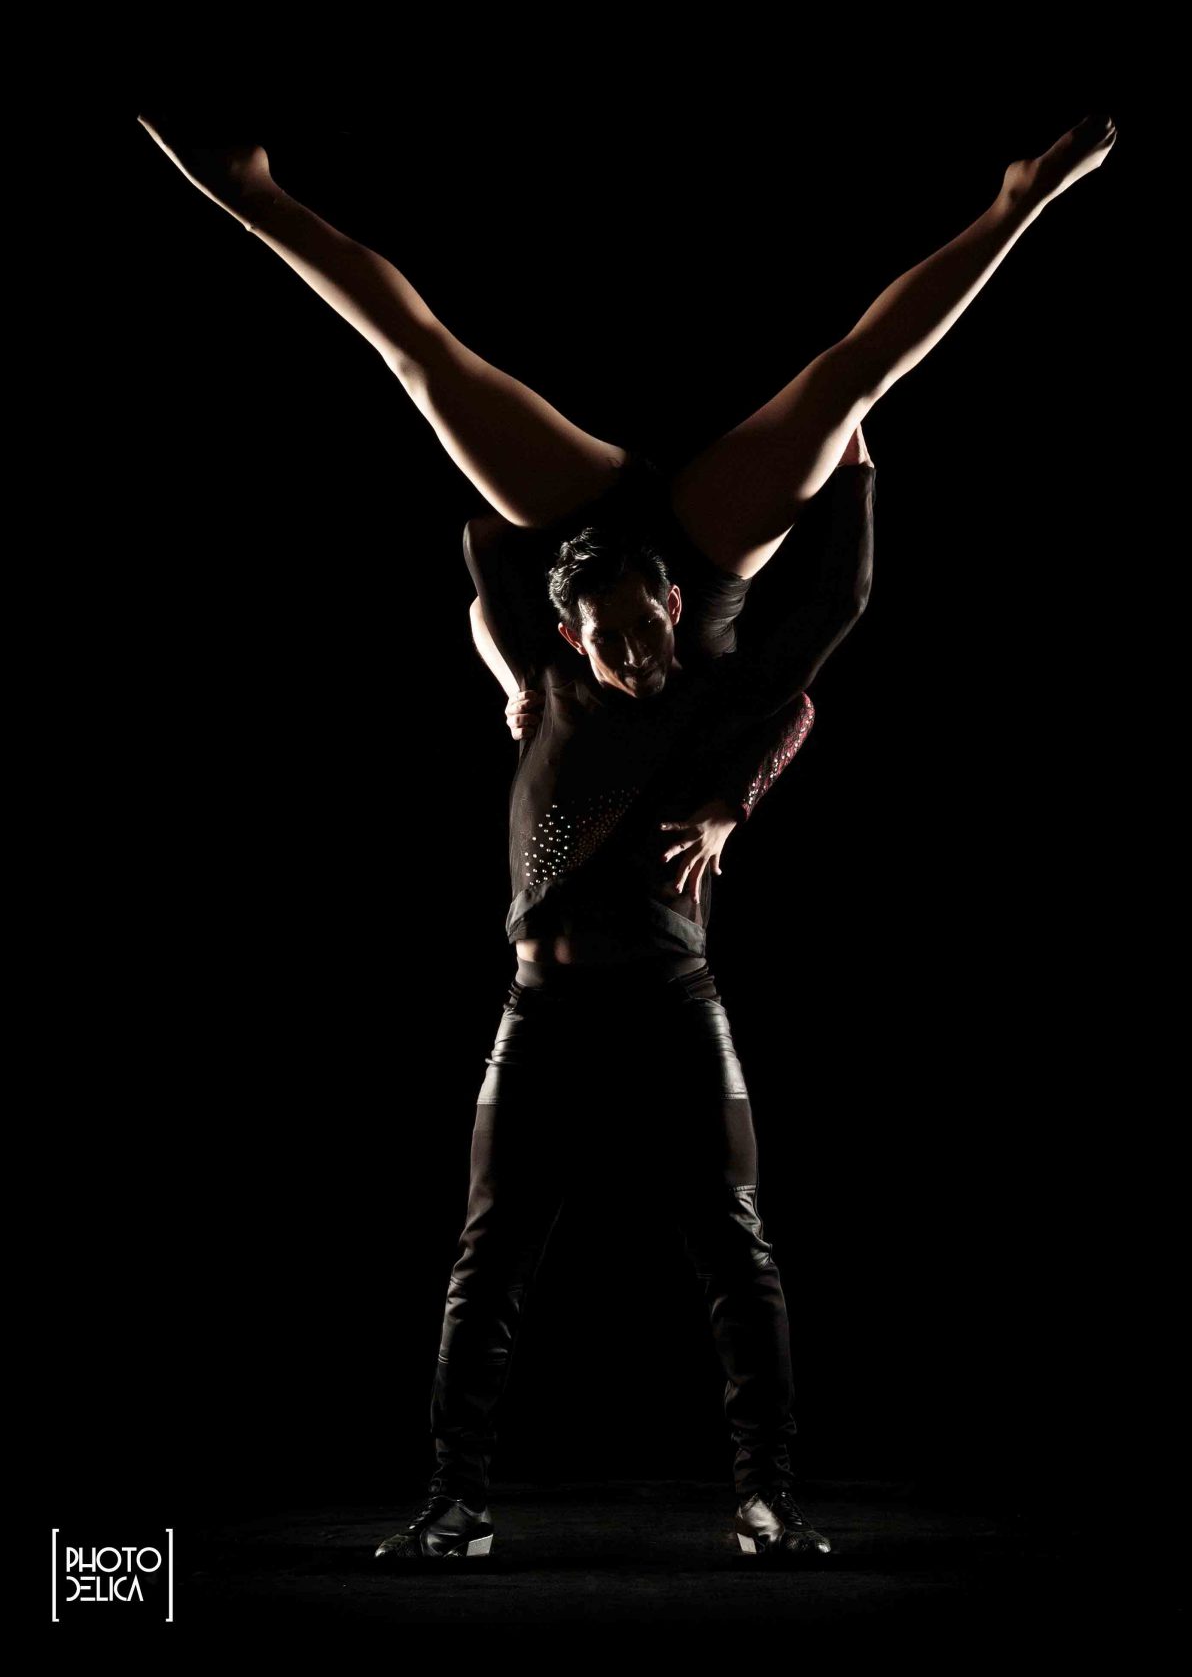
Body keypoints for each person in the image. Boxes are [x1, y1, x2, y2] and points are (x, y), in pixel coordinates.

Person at [136, 105, 1117, 1561]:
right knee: (418, 357)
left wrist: (735, 783)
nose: (641, 664)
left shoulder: (702, 636)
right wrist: (524, 662)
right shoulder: (539, 672)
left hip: (671, 987)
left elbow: (817, 647)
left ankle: (767, 1497)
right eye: (610, 650)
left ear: (663, 606)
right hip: (541, 1001)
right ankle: (454, 1503)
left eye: (647, 639)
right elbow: (486, 594)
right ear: (571, 638)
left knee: (851, 377)